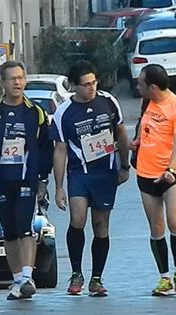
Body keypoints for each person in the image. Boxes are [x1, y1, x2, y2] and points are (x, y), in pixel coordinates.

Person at [0, 61, 53, 300]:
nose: (17, 83)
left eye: (21, 78)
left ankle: (27, 277)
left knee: (25, 227)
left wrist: (43, 179)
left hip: (26, 178)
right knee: (9, 231)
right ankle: (17, 279)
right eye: (12, 79)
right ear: (3, 83)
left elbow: (45, 146)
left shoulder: (34, 111)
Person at [51, 60, 130, 297]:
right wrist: (58, 187)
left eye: (93, 82)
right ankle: (76, 273)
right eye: (86, 85)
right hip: (79, 174)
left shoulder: (108, 101)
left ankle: (97, 277)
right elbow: (60, 149)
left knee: (101, 225)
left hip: (105, 172)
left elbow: (121, 133)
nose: (91, 88)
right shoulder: (64, 112)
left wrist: (125, 166)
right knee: (77, 218)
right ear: (74, 86)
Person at [133, 64, 176, 296]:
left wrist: (171, 168)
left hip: (170, 174)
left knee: (174, 222)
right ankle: (164, 277)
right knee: (156, 227)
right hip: (145, 173)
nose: (138, 87)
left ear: (153, 87)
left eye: (141, 84)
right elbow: (144, 129)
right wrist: (136, 141)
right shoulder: (147, 102)